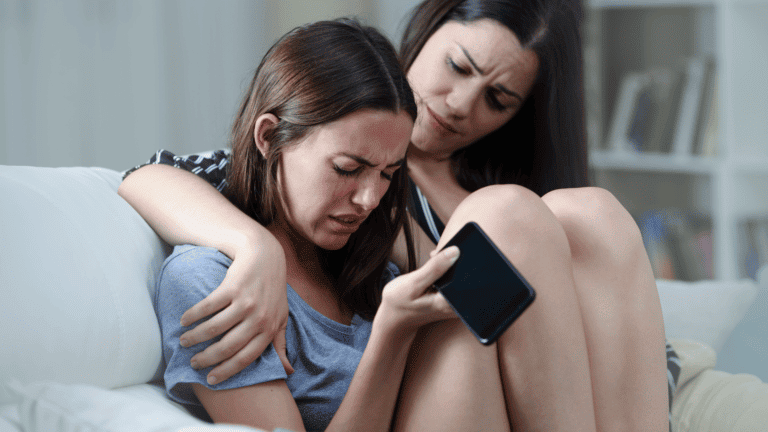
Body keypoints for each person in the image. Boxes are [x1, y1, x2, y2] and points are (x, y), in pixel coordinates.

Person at [120, 0, 675, 430]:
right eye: (458, 66)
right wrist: (254, 247)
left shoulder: (373, 239)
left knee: (588, 207)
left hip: (527, 382)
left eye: (388, 176)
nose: (368, 199)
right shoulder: (218, 263)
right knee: (502, 215)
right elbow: (153, 177)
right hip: (444, 367)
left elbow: (614, 343)